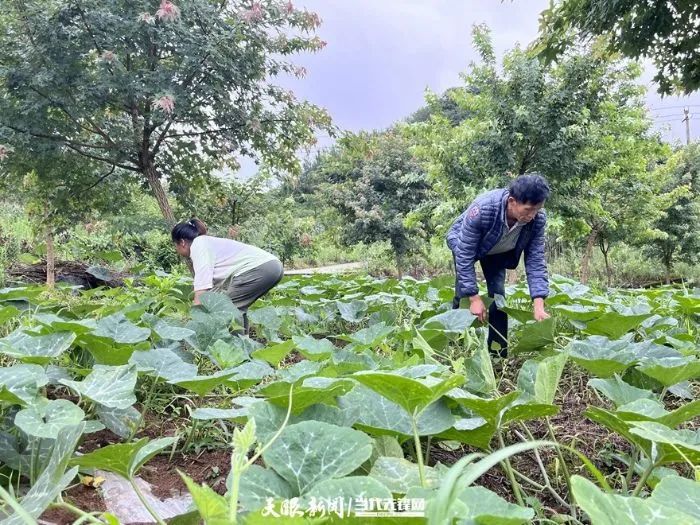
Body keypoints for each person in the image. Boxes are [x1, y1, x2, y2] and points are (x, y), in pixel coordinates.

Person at [446, 173, 551, 357]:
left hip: (498, 251)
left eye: (537, 209)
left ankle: (498, 354)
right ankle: (454, 347)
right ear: (512, 201)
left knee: (498, 297)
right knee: (463, 295)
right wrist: (474, 298)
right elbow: (464, 253)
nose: (532, 215)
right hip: (466, 245)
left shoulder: (536, 220)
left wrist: (539, 303)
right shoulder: (483, 210)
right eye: (528, 209)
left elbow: (535, 260)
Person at [172, 218, 284, 334]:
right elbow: (213, 289)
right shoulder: (208, 242)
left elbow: (201, 290)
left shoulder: (198, 245)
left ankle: (236, 349)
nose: (176, 249)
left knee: (226, 309)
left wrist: (193, 325)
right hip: (273, 266)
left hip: (260, 268)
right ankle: (245, 345)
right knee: (237, 308)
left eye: (175, 245)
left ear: (182, 242)